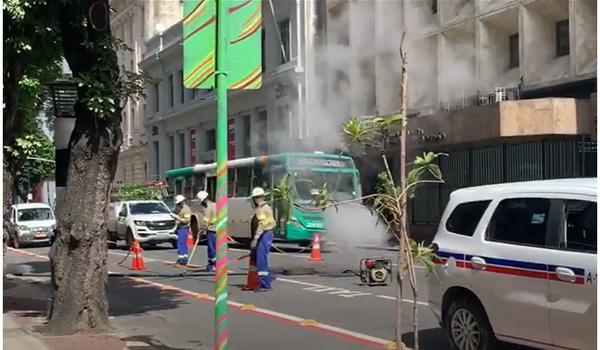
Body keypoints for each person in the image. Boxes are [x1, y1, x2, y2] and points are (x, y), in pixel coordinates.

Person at [250, 187, 276, 291]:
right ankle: (264, 281)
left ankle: (265, 284)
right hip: (266, 234)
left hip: (265, 234)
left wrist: (255, 239)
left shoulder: (261, 208)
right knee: (261, 258)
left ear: (256, 198)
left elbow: (262, 225)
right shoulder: (266, 207)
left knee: (261, 260)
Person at [196, 190, 217, 272]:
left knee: (211, 249)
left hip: (211, 230)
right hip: (218, 229)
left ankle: (212, 265)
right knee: (216, 248)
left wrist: (201, 231)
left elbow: (206, 222)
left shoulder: (207, 208)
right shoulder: (215, 205)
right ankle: (215, 264)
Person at [171, 194, 191, 265]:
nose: (178, 204)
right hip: (180, 227)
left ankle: (181, 259)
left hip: (184, 227)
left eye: (179, 203)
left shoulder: (186, 209)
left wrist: (177, 218)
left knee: (181, 243)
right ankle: (184, 257)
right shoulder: (179, 208)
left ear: (182, 202)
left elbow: (187, 220)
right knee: (182, 243)